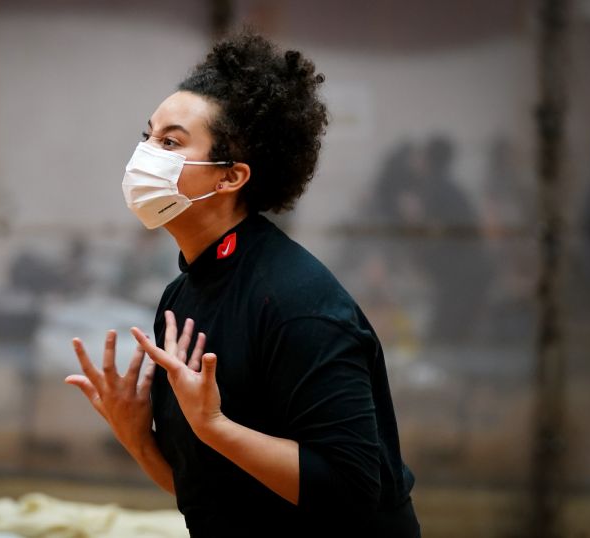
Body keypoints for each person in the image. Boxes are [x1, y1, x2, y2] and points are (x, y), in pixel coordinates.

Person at [65, 31, 420, 537]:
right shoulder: (182, 295)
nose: (144, 154)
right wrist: (137, 438)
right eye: (147, 136)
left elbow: (350, 492)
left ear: (229, 178)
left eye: (170, 142)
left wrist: (214, 427)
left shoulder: (298, 302)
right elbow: (211, 493)